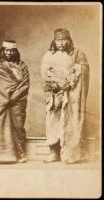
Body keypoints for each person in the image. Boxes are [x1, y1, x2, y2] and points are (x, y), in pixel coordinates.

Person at [41, 28, 89, 163]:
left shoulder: (78, 54)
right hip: (54, 95)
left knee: (70, 122)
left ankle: (70, 154)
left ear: (69, 40)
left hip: (72, 96)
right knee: (52, 123)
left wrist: (70, 82)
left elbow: (84, 70)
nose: (61, 43)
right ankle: (54, 152)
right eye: (58, 40)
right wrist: (56, 84)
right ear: (54, 41)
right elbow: (44, 74)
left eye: (64, 39)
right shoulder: (48, 55)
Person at [0, 40, 30, 163]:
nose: (9, 53)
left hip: (17, 101)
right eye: (6, 50)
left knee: (18, 126)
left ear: (15, 51)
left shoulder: (22, 66)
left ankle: (20, 154)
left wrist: (13, 97)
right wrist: (5, 97)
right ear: (2, 50)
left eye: (12, 50)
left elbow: (25, 84)